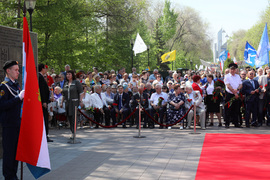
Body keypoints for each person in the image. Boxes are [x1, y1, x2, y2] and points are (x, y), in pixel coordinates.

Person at [0, 61, 25, 180]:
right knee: (9, 153)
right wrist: (18, 98)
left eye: (18, 70)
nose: (18, 72)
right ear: (8, 71)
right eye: (15, 70)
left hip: (17, 124)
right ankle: (9, 177)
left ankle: (13, 175)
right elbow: (2, 105)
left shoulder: (16, 86)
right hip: (9, 125)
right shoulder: (4, 87)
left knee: (16, 153)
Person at [61, 70, 83, 138]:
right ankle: (72, 131)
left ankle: (74, 132)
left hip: (74, 103)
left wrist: (80, 101)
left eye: (69, 74)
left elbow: (81, 93)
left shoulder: (76, 82)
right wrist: (61, 102)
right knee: (69, 117)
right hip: (68, 103)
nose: (68, 75)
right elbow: (63, 94)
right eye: (67, 74)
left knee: (74, 118)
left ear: (72, 75)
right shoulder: (66, 83)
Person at [224, 63, 242, 128]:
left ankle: (236, 123)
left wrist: (237, 89)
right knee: (228, 109)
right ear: (229, 69)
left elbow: (240, 84)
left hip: (236, 93)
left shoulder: (238, 76)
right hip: (229, 94)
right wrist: (234, 92)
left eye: (233, 69)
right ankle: (227, 123)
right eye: (231, 69)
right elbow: (228, 85)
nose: (232, 70)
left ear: (235, 70)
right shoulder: (227, 76)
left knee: (236, 109)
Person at [38, 64, 53, 142]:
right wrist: (44, 101)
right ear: (42, 69)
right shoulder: (39, 77)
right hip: (43, 102)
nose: (46, 70)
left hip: (45, 101)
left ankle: (45, 135)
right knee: (44, 119)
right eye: (45, 68)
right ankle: (45, 135)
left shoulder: (41, 77)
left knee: (46, 118)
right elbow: (41, 90)